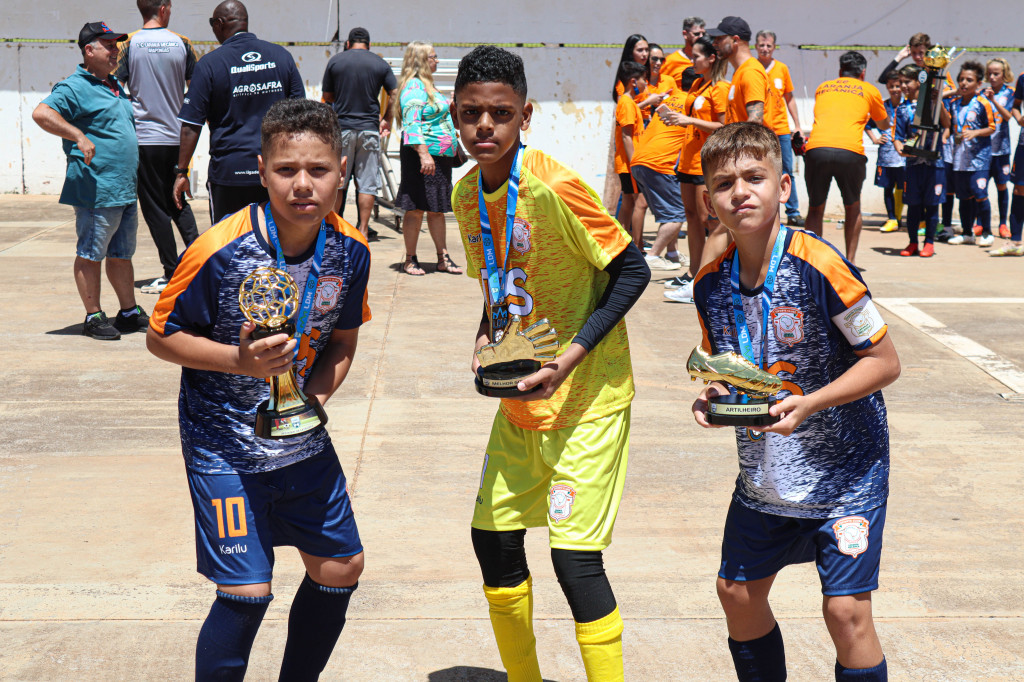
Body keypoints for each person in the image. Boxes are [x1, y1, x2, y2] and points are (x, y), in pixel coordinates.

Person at [147, 98, 370, 680]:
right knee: (246, 592)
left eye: (318, 170)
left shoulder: (352, 251)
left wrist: (311, 402)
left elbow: (342, 342)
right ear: (261, 168)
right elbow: (160, 336)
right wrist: (237, 361)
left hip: (300, 441)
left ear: (340, 170)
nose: (303, 185)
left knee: (341, 567)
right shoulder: (218, 249)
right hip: (222, 444)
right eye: (286, 170)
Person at [450, 45, 649, 682]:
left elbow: (631, 270)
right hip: (522, 401)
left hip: (588, 396)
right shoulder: (462, 196)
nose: (485, 126)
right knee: (493, 542)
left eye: (500, 114)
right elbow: (500, 281)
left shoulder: (554, 185)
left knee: (574, 560)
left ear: (524, 116)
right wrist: (487, 333)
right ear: (455, 114)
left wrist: (569, 357)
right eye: (473, 113)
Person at [691, 121, 901, 682]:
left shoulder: (823, 265)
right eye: (723, 183)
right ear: (710, 199)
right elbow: (724, 365)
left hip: (846, 476)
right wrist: (713, 396)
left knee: (846, 611)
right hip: (765, 480)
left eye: (754, 177)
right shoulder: (710, 283)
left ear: (784, 187)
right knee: (736, 594)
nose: (740, 192)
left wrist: (810, 404)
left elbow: (885, 363)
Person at [32, 21, 149, 341]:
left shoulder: (113, 84)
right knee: (90, 252)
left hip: (123, 189)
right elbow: (42, 114)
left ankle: (127, 312)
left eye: (117, 45)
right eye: (108, 45)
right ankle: (93, 316)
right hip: (95, 188)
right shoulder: (74, 87)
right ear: (89, 50)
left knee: (121, 254)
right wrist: (77, 135)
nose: (115, 51)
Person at [173, 0, 304, 224]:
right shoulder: (281, 57)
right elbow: (301, 116)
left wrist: (181, 172)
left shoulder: (210, 64)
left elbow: (191, 125)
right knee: (276, 242)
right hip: (276, 171)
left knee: (228, 248)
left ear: (220, 23)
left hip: (229, 174)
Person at [116, 0, 200, 295]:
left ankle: (172, 272)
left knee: (155, 208)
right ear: (163, 8)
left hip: (145, 139)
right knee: (178, 201)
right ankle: (202, 261)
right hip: (179, 138)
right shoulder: (183, 43)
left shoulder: (127, 44)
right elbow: (198, 90)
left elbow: (114, 88)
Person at [657, 35, 728, 302]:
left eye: (697, 56)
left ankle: (709, 278)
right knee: (692, 219)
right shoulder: (698, 83)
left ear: (711, 58)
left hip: (705, 162)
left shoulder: (719, 88)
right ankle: (694, 274)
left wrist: (688, 119)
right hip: (687, 160)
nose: (692, 60)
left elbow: (724, 127)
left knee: (706, 220)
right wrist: (676, 119)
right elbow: (694, 120)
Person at [804, 51, 891, 266]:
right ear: (863, 73)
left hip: (817, 149)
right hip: (850, 152)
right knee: (852, 206)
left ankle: (812, 262)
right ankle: (850, 262)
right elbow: (883, 125)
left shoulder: (822, 88)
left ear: (840, 71)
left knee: (815, 208)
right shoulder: (870, 90)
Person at [392, 41, 462, 276]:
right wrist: (424, 155)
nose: (437, 60)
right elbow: (412, 125)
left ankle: (443, 258)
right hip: (423, 157)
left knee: (436, 209)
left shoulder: (428, 86)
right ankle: (410, 259)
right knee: (415, 210)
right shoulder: (413, 87)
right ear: (422, 60)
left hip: (438, 158)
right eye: (433, 56)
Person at [322, 27, 398, 240]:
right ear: (369, 44)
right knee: (366, 183)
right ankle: (363, 230)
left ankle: (334, 229)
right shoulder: (379, 63)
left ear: (348, 43)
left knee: (339, 181)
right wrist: (387, 119)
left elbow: (328, 95)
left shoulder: (336, 61)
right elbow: (394, 92)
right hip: (369, 130)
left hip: (343, 128)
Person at [630, 87, 692, 272]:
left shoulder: (671, 99)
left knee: (669, 212)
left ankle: (672, 253)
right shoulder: (692, 103)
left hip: (639, 161)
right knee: (677, 213)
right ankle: (653, 255)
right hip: (659, 163)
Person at [893, 64, 948, 257]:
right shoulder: (902, 109)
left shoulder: (934, 102)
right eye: (901, 83)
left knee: (932, 205)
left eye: (907, 81)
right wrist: (900, 149)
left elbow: (947, 124)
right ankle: (912, 242)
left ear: (919, 82)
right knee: (913, 205)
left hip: (934, 164)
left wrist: (938, 103)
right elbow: (898, 136)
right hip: (913, 165)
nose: (903, 86)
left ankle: (929, 243)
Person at [755, 30, 804, 227]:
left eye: (769, 45)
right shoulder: (751, 68)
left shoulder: (782, 69)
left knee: (786, 171)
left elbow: (789, 99)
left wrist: (797, 125)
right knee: (759, 171)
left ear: (774, 47)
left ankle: (793, 211)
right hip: (759, 131)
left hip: (781, 130)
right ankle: (763, 210)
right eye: (761, 45)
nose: (765, 49)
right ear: (755, 47)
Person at [947, 61, 997, 247]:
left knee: (979, 193)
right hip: (959, 159)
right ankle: (967, 233)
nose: (964, 83)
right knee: (963, 196)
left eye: (969, 80)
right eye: (961, 79)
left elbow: (992, 127)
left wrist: (975, 133)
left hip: (979, 160)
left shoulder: (983, 103)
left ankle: (986, 232)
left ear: (979, 84)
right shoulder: (954, 103)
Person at [988, 58, 1024, 255]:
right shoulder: (1022, 78)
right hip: (1023, 143)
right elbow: (1016, 106)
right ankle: (1015, 242)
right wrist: (1019, 119)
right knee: (1019, 190)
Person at [612, 61, 647, 241]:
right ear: (633, 82)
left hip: (628, 163)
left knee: (628, 203)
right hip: (629, 164)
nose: (646, 84)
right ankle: (637, 246)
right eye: (643, 80)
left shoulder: (629, 102)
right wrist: (635, 164)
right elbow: (627, 136)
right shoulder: (626, 103)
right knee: (640, 202)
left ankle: (622, 243)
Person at [983, 58, 1015, 239]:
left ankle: (1003, 223)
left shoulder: (1010, 93)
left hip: (1001, 149)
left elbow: (1008, 116)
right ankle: (980, 223)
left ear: (1004, 75)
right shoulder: (981, 93)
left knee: (1002, 185)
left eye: (997, 74)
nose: (993, 77)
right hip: (983, 150)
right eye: (990, 74)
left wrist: (993, 101)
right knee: (980, 187)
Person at [872, 73, 906, 234]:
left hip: (902, 155)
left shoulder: (907, 105)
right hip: (885, 155)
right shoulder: (883, 106)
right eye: (891, 86)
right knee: (887, 187)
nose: (895, 90)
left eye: (897, 86)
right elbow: (867, 123)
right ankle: (891, 218)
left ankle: (898, 218)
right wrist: (875, 138)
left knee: (902, 187)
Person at [661, 17, 706, 91]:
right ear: (685, 34)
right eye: (697, 34)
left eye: (703, 34)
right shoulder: (671, 61)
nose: (701, 37)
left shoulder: (708, 59)